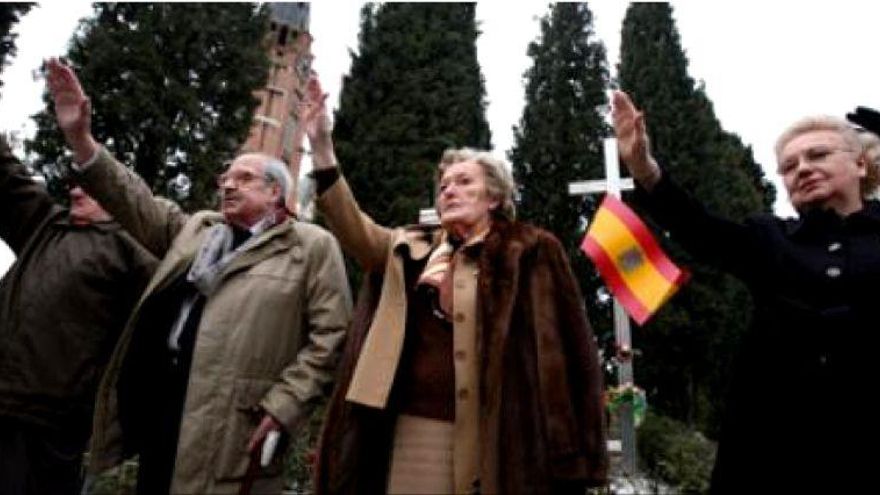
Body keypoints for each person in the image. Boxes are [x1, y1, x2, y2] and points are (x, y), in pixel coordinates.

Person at [46, 59, 352, 495]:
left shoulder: (309, 246)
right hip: (166, 405)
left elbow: (332, 337)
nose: (228, 184)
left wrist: (285, 405)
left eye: (245, 178)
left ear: (276, 194)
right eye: (226, 176)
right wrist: (81, 139)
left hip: (237, 421)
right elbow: (131, 198)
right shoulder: (196, 230)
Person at [298, 76, 607, 495]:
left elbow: (569, 351)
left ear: (494, 198)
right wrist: (321, 147)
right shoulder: (409, 249)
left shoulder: (531, 251)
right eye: (444, 186)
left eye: (464, 182)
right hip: (416, 430)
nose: (449, 190)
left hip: (500, 436)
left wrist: (575, 449)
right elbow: (354, 228)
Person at [612, 90, 880, 493]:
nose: (802, 169)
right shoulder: (769, 239)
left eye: (818, 155)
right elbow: (698, 228)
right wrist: (644, 168)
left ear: (861, 164)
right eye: (789, 166)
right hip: (776, 449)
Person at [0, 136, 157, 495]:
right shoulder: (46, 225)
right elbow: (7, 177)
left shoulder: (133, 252)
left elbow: (145, 340)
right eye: (73, 183)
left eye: (86, 187)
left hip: (54, 421)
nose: (73, 192)